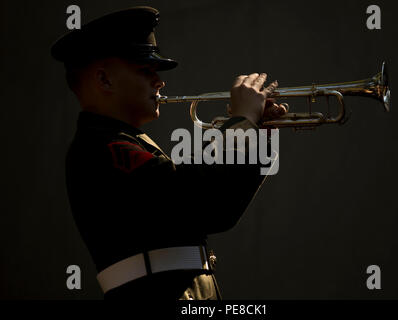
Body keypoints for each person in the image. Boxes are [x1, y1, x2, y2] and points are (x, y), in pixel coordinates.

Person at [51, 6, 287, 300]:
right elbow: (205, 202)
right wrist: (241, 124)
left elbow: (218, 202)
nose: (160, 82)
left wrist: (257, 134)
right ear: (104, 80)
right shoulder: (106, 148)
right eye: (146, 70)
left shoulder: (125, 142)